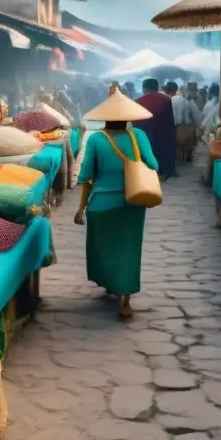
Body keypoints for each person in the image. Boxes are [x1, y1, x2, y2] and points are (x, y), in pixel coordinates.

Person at [74, 88, 159, 319]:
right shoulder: (138, 136)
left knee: (104, 246)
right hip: (133, 201)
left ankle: (111, 282)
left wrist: (81, 208)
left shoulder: (96, 139)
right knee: (129, 249)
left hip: (101, 204)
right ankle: (125, 299)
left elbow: (86, 177)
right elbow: (154, 165)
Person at [133, 78, 177, 179]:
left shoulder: (138, 101)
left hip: (145, 135)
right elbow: (170, 120)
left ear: (144, 88)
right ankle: (165, 172)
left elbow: (136, 122)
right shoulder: (166, 99)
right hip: (163, 134)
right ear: (157, 88)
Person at [166, 81, 200, 163]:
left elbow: (176, 119)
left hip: (177, 128)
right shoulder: (186, 100)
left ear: (167, 91)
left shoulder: (170, 100)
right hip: (188, 129)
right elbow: (195, 116)